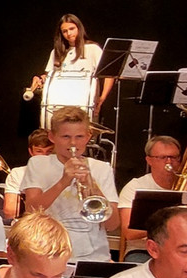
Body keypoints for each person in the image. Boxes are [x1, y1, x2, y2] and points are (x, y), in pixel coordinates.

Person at [22, 105, 119, 261]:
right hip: (49, 254)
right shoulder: (38, 163)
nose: (73, 143)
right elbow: (31, 210)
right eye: (65, 137)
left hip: (94, 257)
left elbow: (112, 224)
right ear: (52, 137)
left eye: (79, 137)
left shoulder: (102, 169)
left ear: (89, 136)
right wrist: (63, 182)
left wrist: (92, 186)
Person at [27, 14, 114, 120]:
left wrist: (101, 99)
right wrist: (40, 79)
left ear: (79, 28)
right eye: (64, 31)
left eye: (72, 29)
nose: (69, 33)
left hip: (84, 105)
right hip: (59, 105)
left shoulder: (93, 49)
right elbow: (50, 76)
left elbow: (109, 74)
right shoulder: (56, 53)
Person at [115, 135, 181, 260]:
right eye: (162, 157)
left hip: (180, 250)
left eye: (173, 157)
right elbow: (129, 232)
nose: (169, 162)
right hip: (142, 250)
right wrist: (169, 226)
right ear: (149, 160)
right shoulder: (135, 187)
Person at [2, 129, 53, 221]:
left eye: (49, 152)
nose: (44, 157)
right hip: (27, 225)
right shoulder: (17, 174)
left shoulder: (63, 172)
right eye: (39, 151)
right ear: (31, 151)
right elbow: (10, 212)